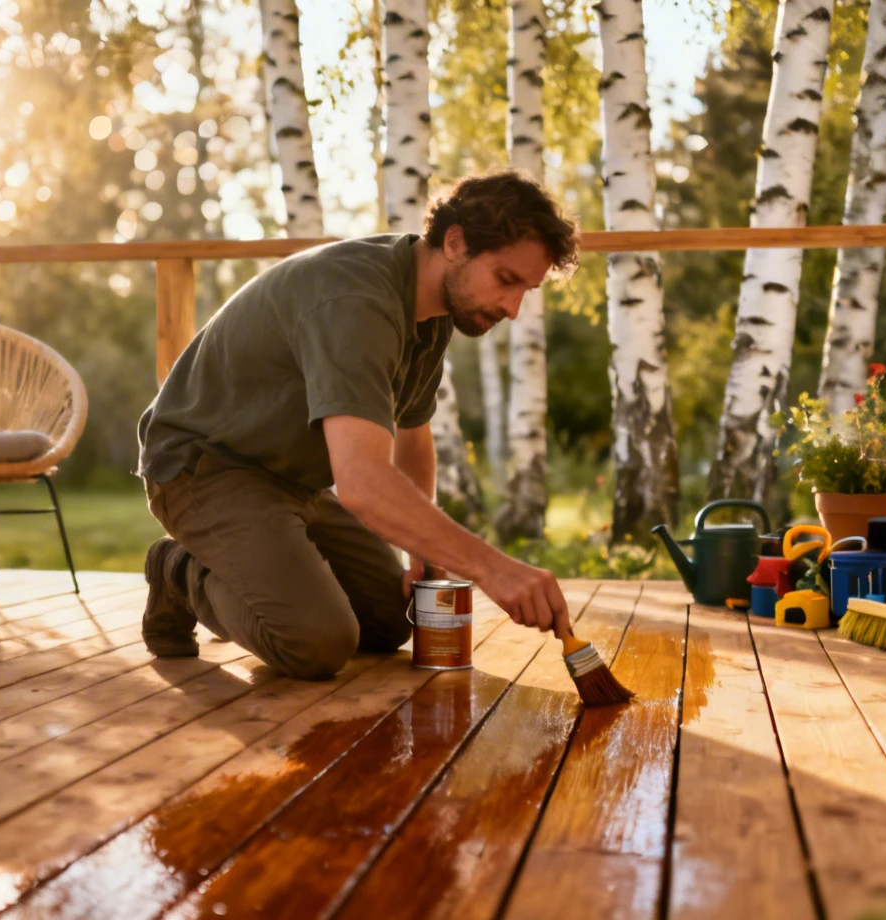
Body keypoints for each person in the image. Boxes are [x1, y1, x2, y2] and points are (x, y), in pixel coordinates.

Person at [135, 170, 580, 680]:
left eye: (527, 288)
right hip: (203, 466)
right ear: (455, 242)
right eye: (506, 279)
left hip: (291, 479)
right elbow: (364, 484)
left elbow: (413, 435)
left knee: (389, 621)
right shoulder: (358, 301)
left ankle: (255, 560)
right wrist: (494, 568)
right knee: (317, 642)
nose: (514, 308)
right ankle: (178, 570)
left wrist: (423, 553)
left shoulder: (432, 310)